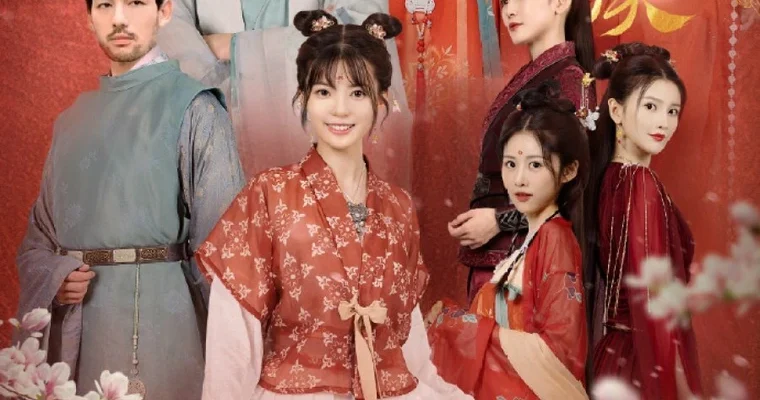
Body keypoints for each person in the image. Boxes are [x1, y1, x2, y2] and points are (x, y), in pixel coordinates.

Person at [196, 10, 470, 400]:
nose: (340, 109)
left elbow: (409, 347)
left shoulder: (398, 207)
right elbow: (232, 340)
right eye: (324, 92)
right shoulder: (269, 193)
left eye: (357, 93)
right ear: (304, 99)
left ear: (382, 101)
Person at [15, 0, 244, 397]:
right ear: (89, 19)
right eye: (106, 5)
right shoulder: (70, 122)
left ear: (164, 11)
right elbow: (38, 242)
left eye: (136, 2)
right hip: (76, 339)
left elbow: (229, 256)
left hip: (165, 334)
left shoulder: (196, 107)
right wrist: (55, 278)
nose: (119, 18)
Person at [427, 83, 591, 399]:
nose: (519, 179)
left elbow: (558, 352)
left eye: (535, 164)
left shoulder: (555, 238)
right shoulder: (534, 237)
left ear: (569, 171)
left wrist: (459, 325)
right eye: (511, 163)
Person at [157, 0, 411, 186]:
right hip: (219, 117)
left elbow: (360, 30)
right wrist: (217, 79)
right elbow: (167, 24)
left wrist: (235, 47)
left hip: (314, 116)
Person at [450, 0, 597, 304]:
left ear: (560, 3)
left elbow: (572, 190)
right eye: (504, 2)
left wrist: (498, 221)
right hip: (503, 255)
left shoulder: (570, 80)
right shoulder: (539, 73)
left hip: (526, 261)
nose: (509, 11)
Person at [585, 42, 702, 400]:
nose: (663, 122)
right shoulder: (639, 182)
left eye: (672, 111)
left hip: (614, 357)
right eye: (650, 106)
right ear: (616, 110)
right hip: (643, 362)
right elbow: (653, 305)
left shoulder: (607, 180)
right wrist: (685, 390)